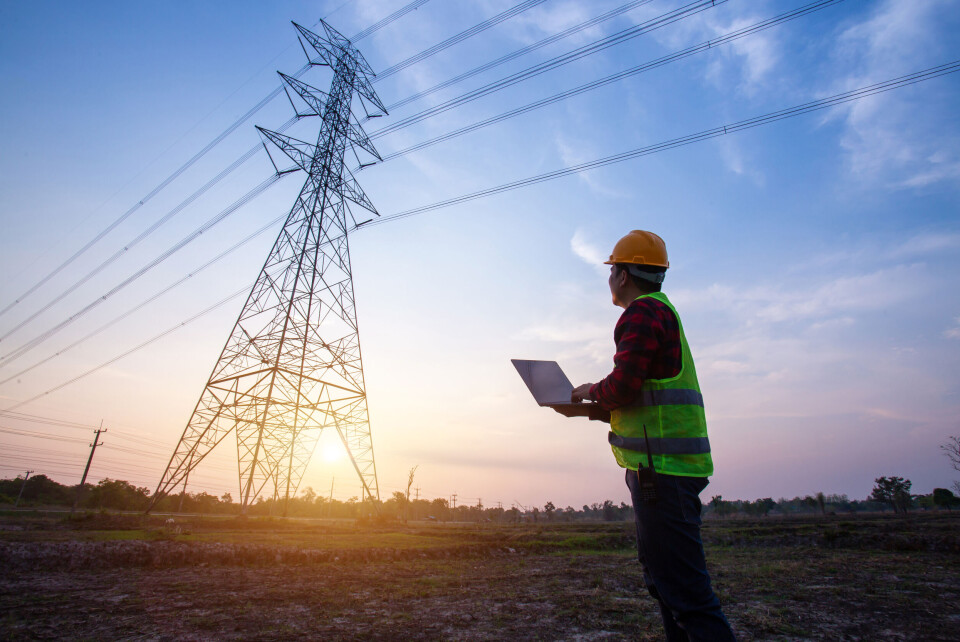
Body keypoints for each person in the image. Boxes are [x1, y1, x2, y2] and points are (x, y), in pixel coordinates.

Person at [553, 230, 735, 641]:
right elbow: (641, 396)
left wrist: (587, 393)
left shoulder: (640, 314)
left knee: (688, 598)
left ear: (621, 274)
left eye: (611, 269)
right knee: (668, 589)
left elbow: (622, 385)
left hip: (662, 475)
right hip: (665, 473)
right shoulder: (663, 311)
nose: (610, 278)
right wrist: (593, 412)